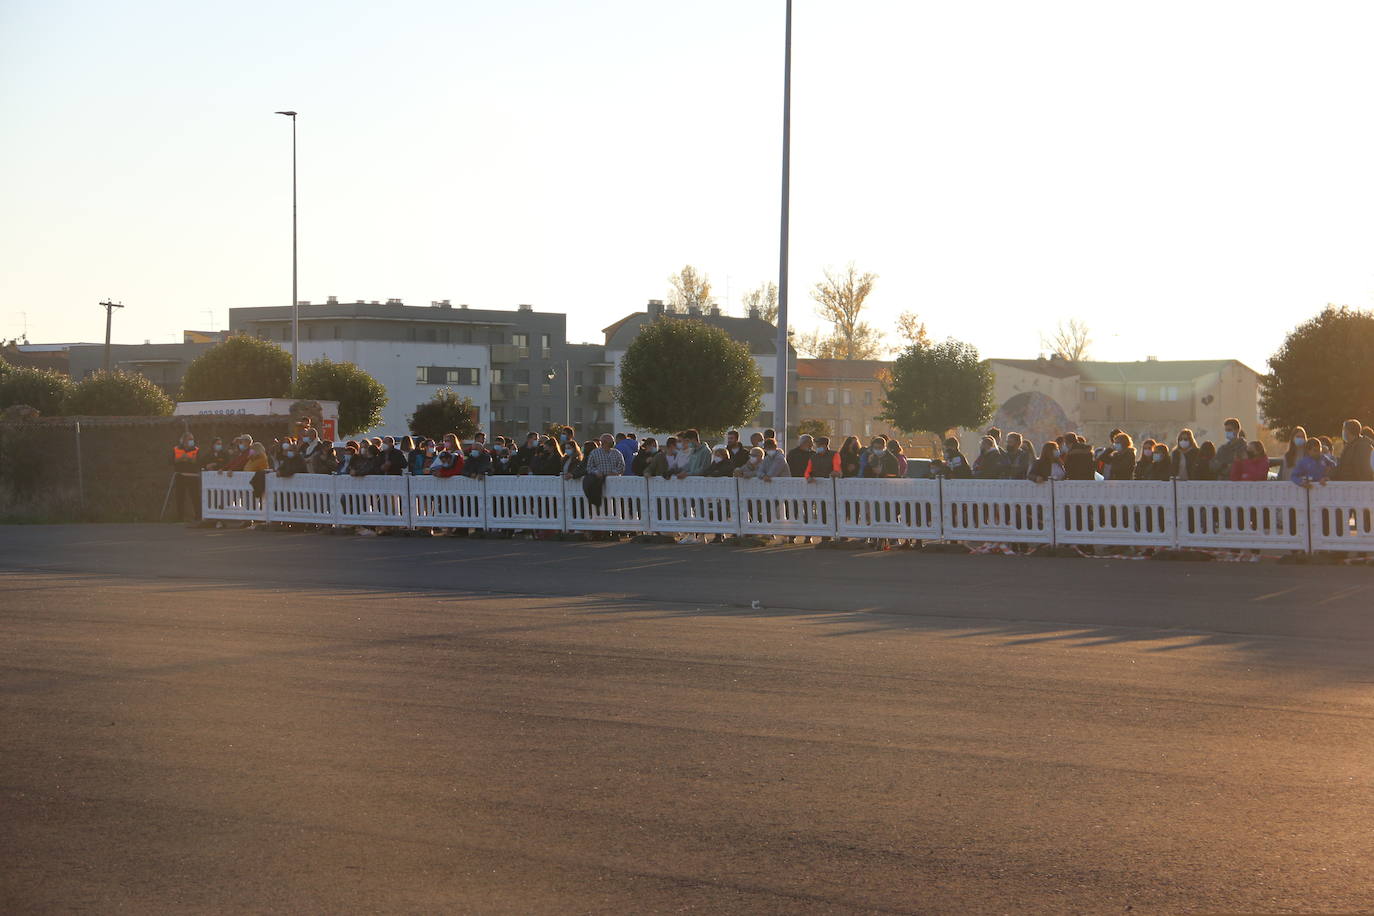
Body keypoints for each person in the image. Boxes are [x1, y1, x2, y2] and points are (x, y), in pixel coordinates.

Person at [170, 431, 202, 522]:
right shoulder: (176, 449)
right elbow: (171, 461)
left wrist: (189, 459)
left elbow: (199, 461)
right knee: (180, 497)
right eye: (190, 439)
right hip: (180, 476)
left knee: (195, 497)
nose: (192, 441)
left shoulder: (196, 449)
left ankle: (198, 516)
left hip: (193, 476)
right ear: (184, 440)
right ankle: (180, 517)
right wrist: (181, 458)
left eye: (192, 439)